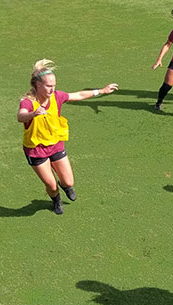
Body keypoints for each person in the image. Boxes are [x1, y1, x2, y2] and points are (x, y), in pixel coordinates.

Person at [17, 59, 118, 215]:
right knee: (51, 185)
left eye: (54, 85)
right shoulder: (28, 102)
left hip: (55, 144)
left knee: (69, 182)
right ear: (38, 85)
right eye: (48, 86)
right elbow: (21, 116)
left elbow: (77, 95)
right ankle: (56, 200)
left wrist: (102, 91)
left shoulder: (57, 96)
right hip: (35, 149)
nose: (52, 89)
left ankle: (65, 186)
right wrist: (33, 114)